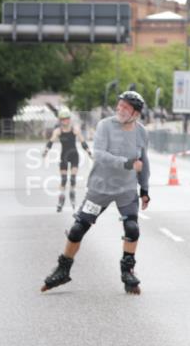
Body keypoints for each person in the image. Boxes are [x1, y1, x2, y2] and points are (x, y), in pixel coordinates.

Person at [41, 91, 151, 295]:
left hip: (126, 190)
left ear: (135, 113)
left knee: (132, 228)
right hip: (100, 187)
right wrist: (126, 163)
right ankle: (63, 269)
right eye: (119, 105)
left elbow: (143, 162)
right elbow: (99, 154)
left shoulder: (141, 132)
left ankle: (127, 272)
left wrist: (144, 189)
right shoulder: (105, 126)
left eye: (125, 107)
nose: (120, 109)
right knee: (77, 229)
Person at [43, 108, 92, 212]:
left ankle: (72, 196)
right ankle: (61, 200)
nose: (65, 121)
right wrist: (46, 151)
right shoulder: (58, 131)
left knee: (73, 179)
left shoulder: (75, 129)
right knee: (64, 179)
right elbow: (50, 142)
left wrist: (89, 152)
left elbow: (83, 142)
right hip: (64, 156)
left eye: (67, 119)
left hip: (74, 155)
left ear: (69, 119)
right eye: (63, 119)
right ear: (60, 120)